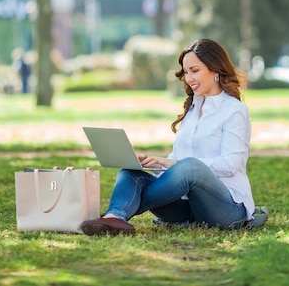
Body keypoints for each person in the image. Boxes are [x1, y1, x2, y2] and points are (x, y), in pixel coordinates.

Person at [80, 38, 257, 236]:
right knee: (130, 173)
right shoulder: (193, 107)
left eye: (195, 70)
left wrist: (172, 163)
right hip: (185, 210)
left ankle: (119, 213)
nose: (189, 78)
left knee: (190, 167)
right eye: (186, 72)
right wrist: (154, 164)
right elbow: (176, 164)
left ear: (215, 69)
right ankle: (114, 217)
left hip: (226, 210)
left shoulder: (234, 111)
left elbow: (230, 164)